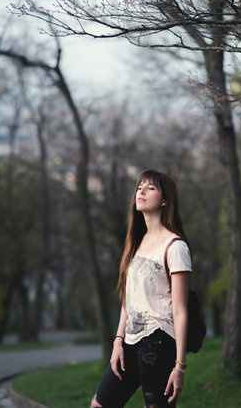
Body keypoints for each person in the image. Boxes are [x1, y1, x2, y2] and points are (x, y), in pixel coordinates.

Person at [90, 169, 192, 408]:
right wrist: (118, 341)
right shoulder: (136, 243)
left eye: (151, 188)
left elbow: (180, 311)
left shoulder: (175, 246)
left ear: (165, 200)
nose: (141, 191)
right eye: (139, 187)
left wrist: (179, 366)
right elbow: (128, 298)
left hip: (158, 341)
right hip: (130, 342)